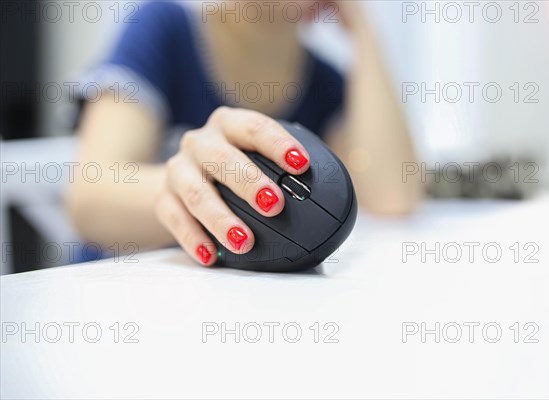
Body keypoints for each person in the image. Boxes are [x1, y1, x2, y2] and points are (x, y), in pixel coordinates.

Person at [67, 1, 422, 266]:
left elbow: (393, 196)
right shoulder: (163, 29)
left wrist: (361, 27)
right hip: (121, 293)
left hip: (233, 299)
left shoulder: (323, 82)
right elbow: (91, 197)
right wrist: (197, 190)